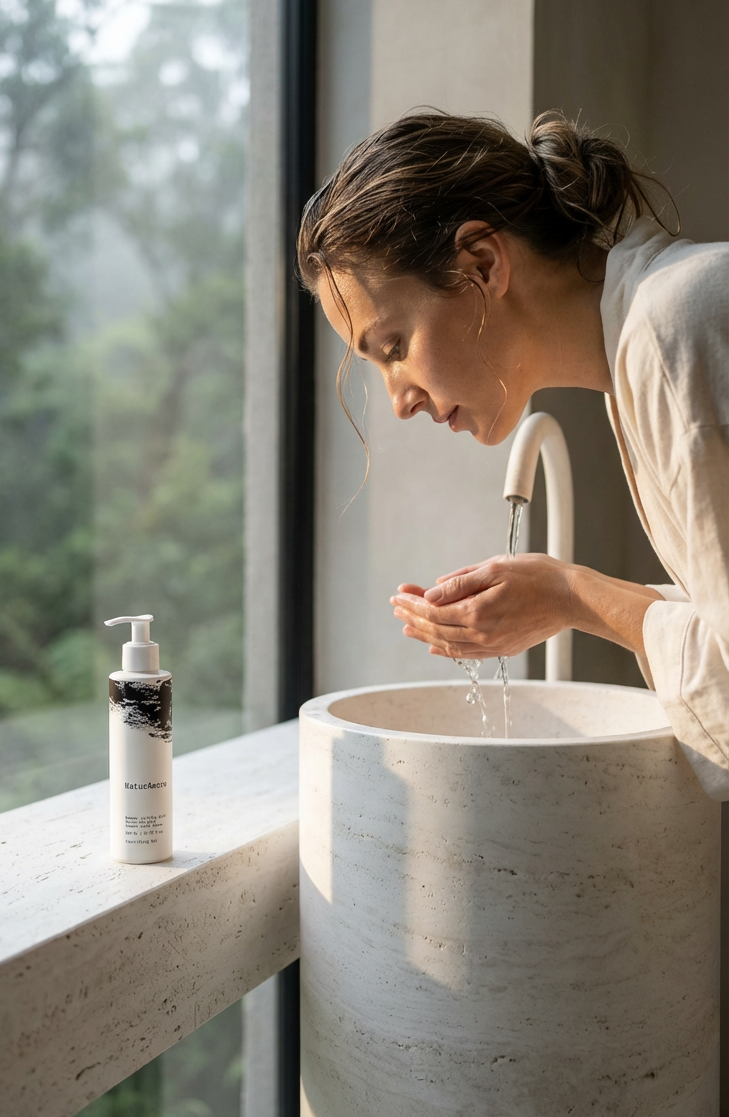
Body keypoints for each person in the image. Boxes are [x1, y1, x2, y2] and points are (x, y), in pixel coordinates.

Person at [297, 110, 729, 799]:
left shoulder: (674, 328)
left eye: (394, 346)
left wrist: (571, 593)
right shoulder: (644, 349)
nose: (401, 401)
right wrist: (557, 595)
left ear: (483, 265)